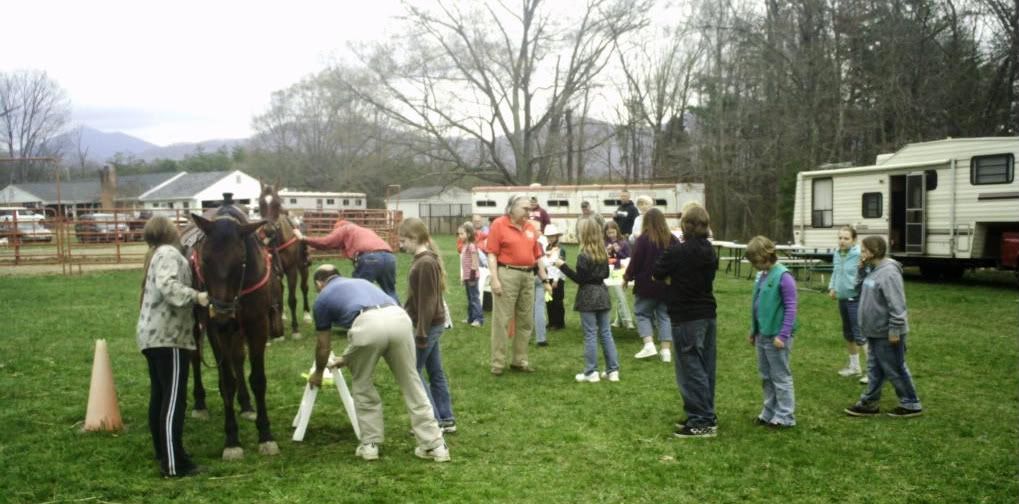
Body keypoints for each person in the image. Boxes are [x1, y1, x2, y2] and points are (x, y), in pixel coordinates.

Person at [308, 264, 450, 462]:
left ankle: (370, 445)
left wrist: (318, 372)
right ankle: (435, 445)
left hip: (366, 324)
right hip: (399, 318)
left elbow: (324, 346)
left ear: (319, 283)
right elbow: (380, 322)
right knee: (412, 382)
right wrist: (348, 358)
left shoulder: (322, 299)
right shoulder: (361, 282)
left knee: (362, 384)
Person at [137, 216, 210, 477]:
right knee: (174, 401)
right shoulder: (168, 253)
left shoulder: (155, 254)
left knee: (159, 396)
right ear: (169, 231)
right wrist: (198, 296)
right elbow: (168, 287)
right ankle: (173, 464)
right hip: (169, 337)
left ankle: (164, 452)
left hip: (151, 336)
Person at [653, 205, 718, 438]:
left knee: (691, 368)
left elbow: (657, 273)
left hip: (686, 315)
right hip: (708, 314)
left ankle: (702, 421)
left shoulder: (676, 252)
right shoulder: (710, 251)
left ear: (685, 225)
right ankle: (702, 413)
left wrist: (675, 279)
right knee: (705, 367)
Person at [844, 236, 922, 418]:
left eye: (863, 250)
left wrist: (895, 330)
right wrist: (861, 272)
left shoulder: (889, 273)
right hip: (874, 331)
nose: (860, 254)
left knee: (895, 368)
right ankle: (869, 403)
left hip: (887, 333)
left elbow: (897, 305)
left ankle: (911, 403)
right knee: (875, 369)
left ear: (873, 251)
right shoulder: (873, 270)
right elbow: (856, 289)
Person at [398, 218, 457, 434]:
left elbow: (428, 302)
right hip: (431, 324)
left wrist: (421, 332)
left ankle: (432, 420)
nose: (400, 245)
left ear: (414, 238)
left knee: (413, 372)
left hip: (428, 326)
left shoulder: (424, 263)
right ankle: (446, 417)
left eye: (403, 240)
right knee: (435, 370)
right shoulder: (425, 260)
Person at [486, 195, 552, 375]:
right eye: (525, 209)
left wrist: (545, 280)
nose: (528, 213)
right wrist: (495, 278)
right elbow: (492, 254)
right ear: (512, 208)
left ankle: (519, 360)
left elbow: (537, 256)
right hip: (507, 274)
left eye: (530, 210)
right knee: (502, 320)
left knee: (525, 320)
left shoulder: (530, 227)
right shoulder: (499, 224)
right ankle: (498, 363)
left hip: (528, 276)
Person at [556, 218, 619, 383]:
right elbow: (605, 274)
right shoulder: (603, 253)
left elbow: (580, 279)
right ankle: (613, 371)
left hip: (588, 295)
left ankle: (591, 371)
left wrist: (562, 266)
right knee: (606, 333)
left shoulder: (583, 255)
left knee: (591, 334)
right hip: (602, 293)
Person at [746, 235, 798, 429]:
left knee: (780, 376)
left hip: (777, 337)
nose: (754, 266)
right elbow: (757, 305)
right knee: (766, 376)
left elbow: (791, 307)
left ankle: (785, 415)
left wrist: (783, 335)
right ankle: (769, 412)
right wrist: (754, 330)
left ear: (765, 256)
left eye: (756, 261)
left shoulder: (784, 277)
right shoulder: (762, 276)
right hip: (762, 335)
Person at [294, 220, 399, 303]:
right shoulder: (364, 230)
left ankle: (357, 318)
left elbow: (325, 242)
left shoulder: (344, 228)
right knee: (390, 291)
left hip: (370, 258)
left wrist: (303, 238)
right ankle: (401, 317)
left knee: (359, 291)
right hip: (389, 257)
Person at [624, 208, 677, 363]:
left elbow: (635, 262)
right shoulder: (672, 239)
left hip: (646, 286)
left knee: (642, 314)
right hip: (667, 285)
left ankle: (649, 345)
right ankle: (666, 351)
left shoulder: (643, 240)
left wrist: (627, 277)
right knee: (665, 316)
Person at [829, 226, 868, 384]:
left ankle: (872, 371)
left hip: (856, 299)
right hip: (842, 299)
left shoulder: (860, 254)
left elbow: (869, 274)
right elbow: (836, 272)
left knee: (861, 335)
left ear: (854, 240)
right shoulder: (837, 254)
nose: (842, 241)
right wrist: (832, 287)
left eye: (846, 238)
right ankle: (854, 367)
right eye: (840, 238)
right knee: (848, 334)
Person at [605, 221, 635, 329]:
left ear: (617, 231)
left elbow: (628, 258)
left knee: (620, 294)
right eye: (609, 233)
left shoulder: (623, 243)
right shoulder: (604, 243)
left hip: (620, 273)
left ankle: (627, 320)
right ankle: (618, 320)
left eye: (613, 232)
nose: (611, 235)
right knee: (611, 296)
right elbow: (604, 260)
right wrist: (607, 252)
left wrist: (618, 251)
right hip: (608, 272)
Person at [458, 222, 483, 327]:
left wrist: (472, 275)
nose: (460, 236)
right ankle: (471, 318)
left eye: (462, 234)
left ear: (468, 234)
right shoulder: (465, 245)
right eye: (459, 234)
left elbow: (475, 261)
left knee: (474, 298)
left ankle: (478, 319)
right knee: (469, 298)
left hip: (472, 276)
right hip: (467, 277)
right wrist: (464, 277)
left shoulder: (472, 246)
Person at [530, 218, 550, 347]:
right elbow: (541, 262)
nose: (541, 232)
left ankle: (525, 335)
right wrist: (545, 279)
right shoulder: (538, 245)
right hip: (537, 276)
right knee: (539, 307)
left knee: (528, 308)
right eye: (538, 229)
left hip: (527, 276)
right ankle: (541, 338)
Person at [543, 224, 567, 332]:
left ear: (556, 236)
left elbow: (560, 265)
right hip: (548, 277)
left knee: (557, 301)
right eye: (548, 236)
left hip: (557, 278)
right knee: (549, 300)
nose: (550, 238)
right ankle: (551, 321)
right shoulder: (547, 248)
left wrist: (556, 279)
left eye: (552, 236)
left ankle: (559, 323)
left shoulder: (561, 249)